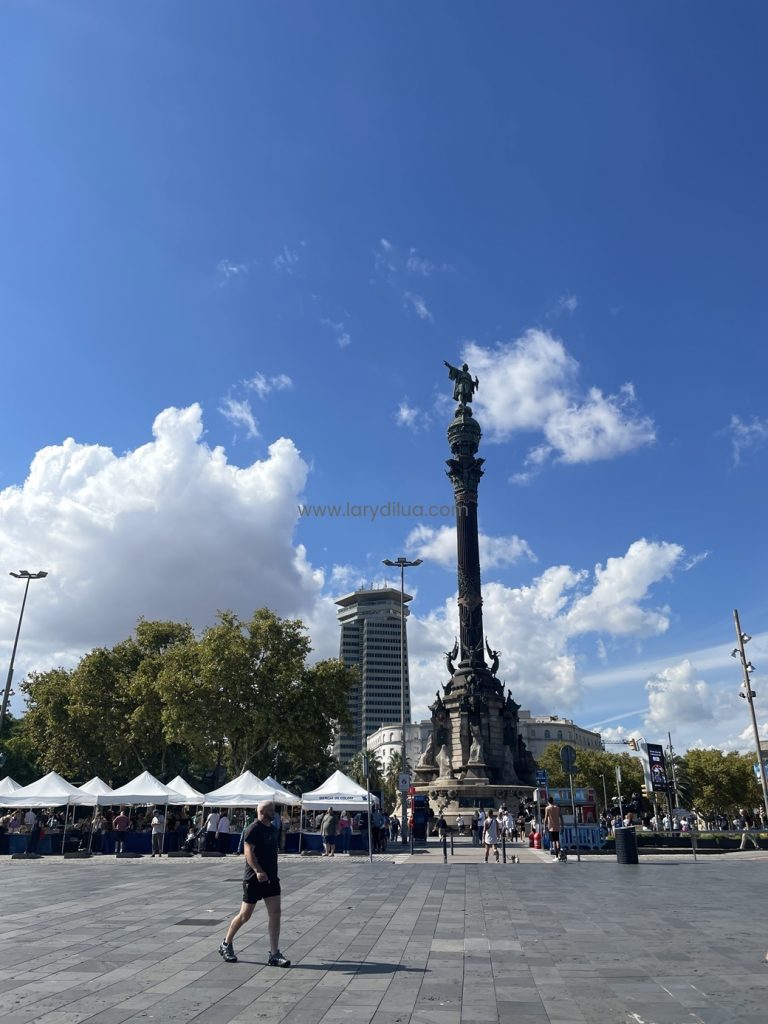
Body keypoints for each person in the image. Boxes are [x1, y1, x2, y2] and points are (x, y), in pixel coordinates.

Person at [219, 800, 290, 967]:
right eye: (271, 810)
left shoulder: (273, 829)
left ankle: (274, 953)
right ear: (263, 812)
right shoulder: (252, 829)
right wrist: (258, 870)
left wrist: (269, 872)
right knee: (245, 915)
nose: (274, 812)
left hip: (271, 878)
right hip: (254, 878)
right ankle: (226, 943)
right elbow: (248, 852)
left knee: (276, 912)